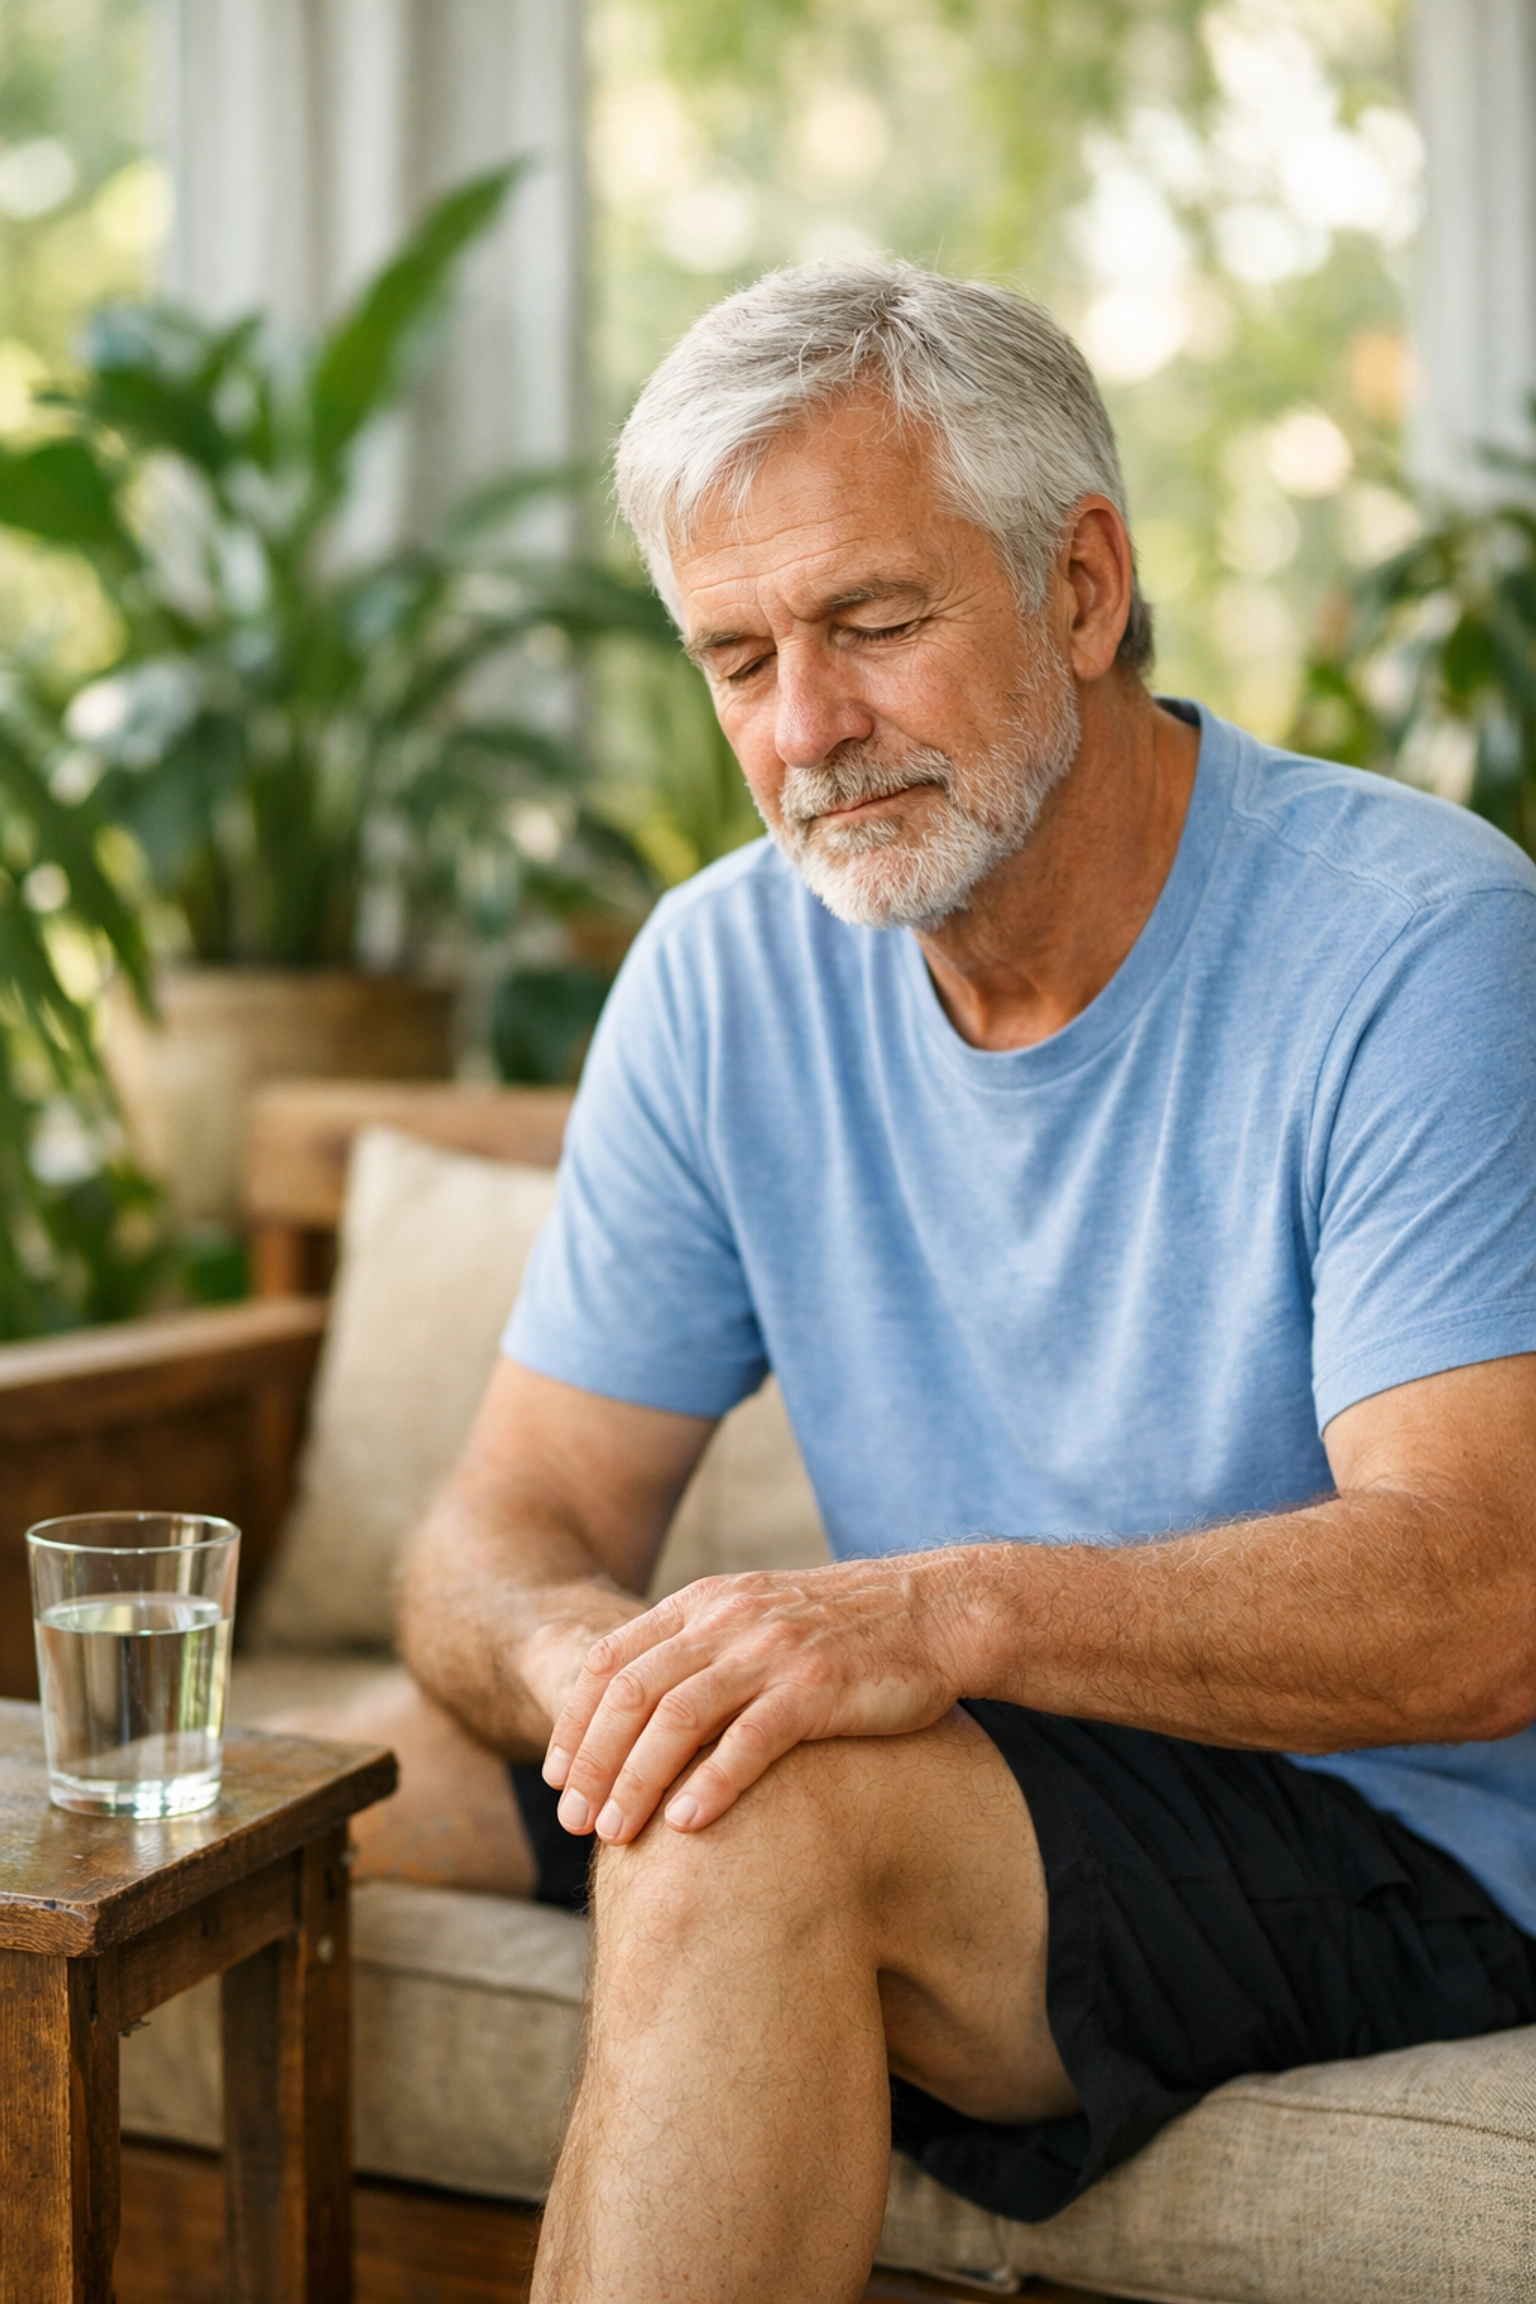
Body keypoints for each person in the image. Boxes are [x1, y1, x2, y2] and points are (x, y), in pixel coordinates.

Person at [301, 264, 1536, 2304]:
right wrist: (593, 1685)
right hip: (978, 1768)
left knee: (753, 1825)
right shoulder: (723, 972)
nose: (805, 731)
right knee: (297, 1794)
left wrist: (930, 1613)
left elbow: (1486, 1595)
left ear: (1080, 584)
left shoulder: (1422, 944)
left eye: (873, 624)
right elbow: (504, 1531)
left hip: (1389, 1830)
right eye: (737, 658)